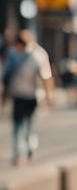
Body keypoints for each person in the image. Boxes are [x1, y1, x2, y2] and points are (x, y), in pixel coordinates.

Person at [2, 29, 55, 165]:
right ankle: (18, 152)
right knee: (18, 124)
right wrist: (4, 95)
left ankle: (29, 148)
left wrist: (49, 94)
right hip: (18, 94)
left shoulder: (38, 55)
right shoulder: (13, 54)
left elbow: (46, 77)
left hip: (33, 96)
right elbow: (6, 76)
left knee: (29, 124)